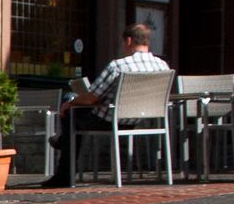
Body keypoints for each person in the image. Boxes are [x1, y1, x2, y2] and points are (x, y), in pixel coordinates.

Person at [44, 22, 169, 187]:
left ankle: (64, 173)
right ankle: (62, 141)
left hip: (110, 120)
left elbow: (91, 98)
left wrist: (70, 103)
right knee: (74, 113)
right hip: (138, 120)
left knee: (70, 110)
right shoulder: (162, 66)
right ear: (147, 41)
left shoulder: (119, 66)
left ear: (128, 41)